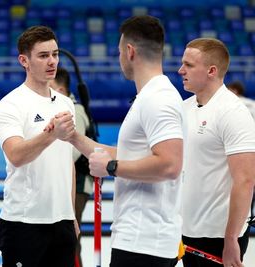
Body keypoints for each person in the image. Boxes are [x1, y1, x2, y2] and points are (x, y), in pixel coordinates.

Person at [56, 15, 185, 267]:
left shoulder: (158, 99)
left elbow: (170, 165)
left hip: (145, 241)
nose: (118, 58)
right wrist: (73, 137)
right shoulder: (150, 96)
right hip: (141, 238)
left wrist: (111, 168)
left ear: (130, 51)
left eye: (118, 52)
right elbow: (125, 153)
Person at [0, 25, 78, 267]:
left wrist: (70, 214)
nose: (52, 61)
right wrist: (51, 134)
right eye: (43, 56)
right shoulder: (11, 104)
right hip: (23, 223)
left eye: (55, 54)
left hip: (62, 223)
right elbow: (16, 155)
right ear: (24, 60)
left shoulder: (66, 103)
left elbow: (67, 164)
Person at [178, 38, 255, 267]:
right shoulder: (183, 108)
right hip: (185, 230)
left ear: (211, 70)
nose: (180, 70)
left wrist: (231, 238)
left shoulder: (233, 112)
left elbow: (245, 179)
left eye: (189, 65)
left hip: (218, 237)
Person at [49, 67, 92, 267]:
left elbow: (73, 151)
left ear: (61, 89)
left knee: (69, 238)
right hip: (63, 182)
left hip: (78, 185)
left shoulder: (76, 110)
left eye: (50, 88)